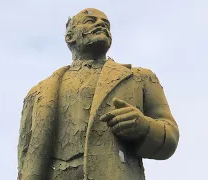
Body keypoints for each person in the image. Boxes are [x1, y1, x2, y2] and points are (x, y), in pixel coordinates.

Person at [17, 8, 179, 180]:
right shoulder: (37, 93)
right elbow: (24, 157)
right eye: (90, 21)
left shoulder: (140, 78)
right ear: (69, 36)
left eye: (106, 24)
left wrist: (143, 126)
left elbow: (170, 137)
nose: (101, 24)